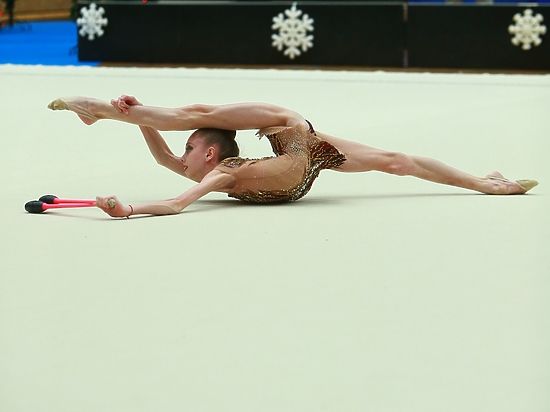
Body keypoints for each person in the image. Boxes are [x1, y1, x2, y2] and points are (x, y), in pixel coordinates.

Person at [47, 95, 538, 219]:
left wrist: (127, 209)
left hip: (289, 129)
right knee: (396, 160)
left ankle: (98, 110)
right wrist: (140, 124)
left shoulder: (220, 173)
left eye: (189, 148)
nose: (181, 157)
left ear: (211, 153)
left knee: (199, 112)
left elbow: (176, 202)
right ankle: (487, 181)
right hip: (306, 156)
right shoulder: (221, 172)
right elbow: (168, 169)